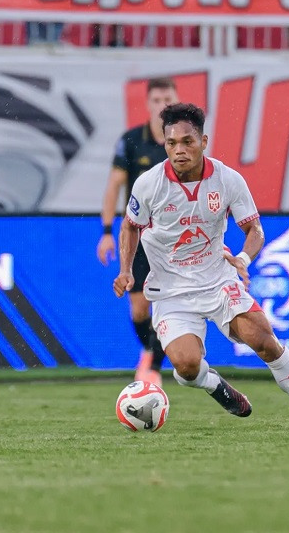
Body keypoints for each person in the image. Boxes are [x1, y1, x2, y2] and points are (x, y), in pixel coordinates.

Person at [113, 102, 289, 430]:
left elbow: (254, 230)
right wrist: (126, 269)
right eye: (171, 143)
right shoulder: (149, 184)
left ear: (203, 142)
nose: (179, 150)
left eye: (187, 142)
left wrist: (243, 259)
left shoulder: (228, 180)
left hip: (218, 280)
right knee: (187, 367)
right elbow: (130, 226)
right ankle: (213, 384)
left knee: (264, 340)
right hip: (171, 291)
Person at [99, 78, 177, 386]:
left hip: (175, 239)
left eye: (167, 99)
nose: (162, 105)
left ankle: (153, 367)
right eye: (156, 100)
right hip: (140, 237)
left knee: (172, 305)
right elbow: (114, 186)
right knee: (139, 309)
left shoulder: (182, 142)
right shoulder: (132, 140)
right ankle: (150, 349)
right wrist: (107, 231)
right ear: (148, 104)